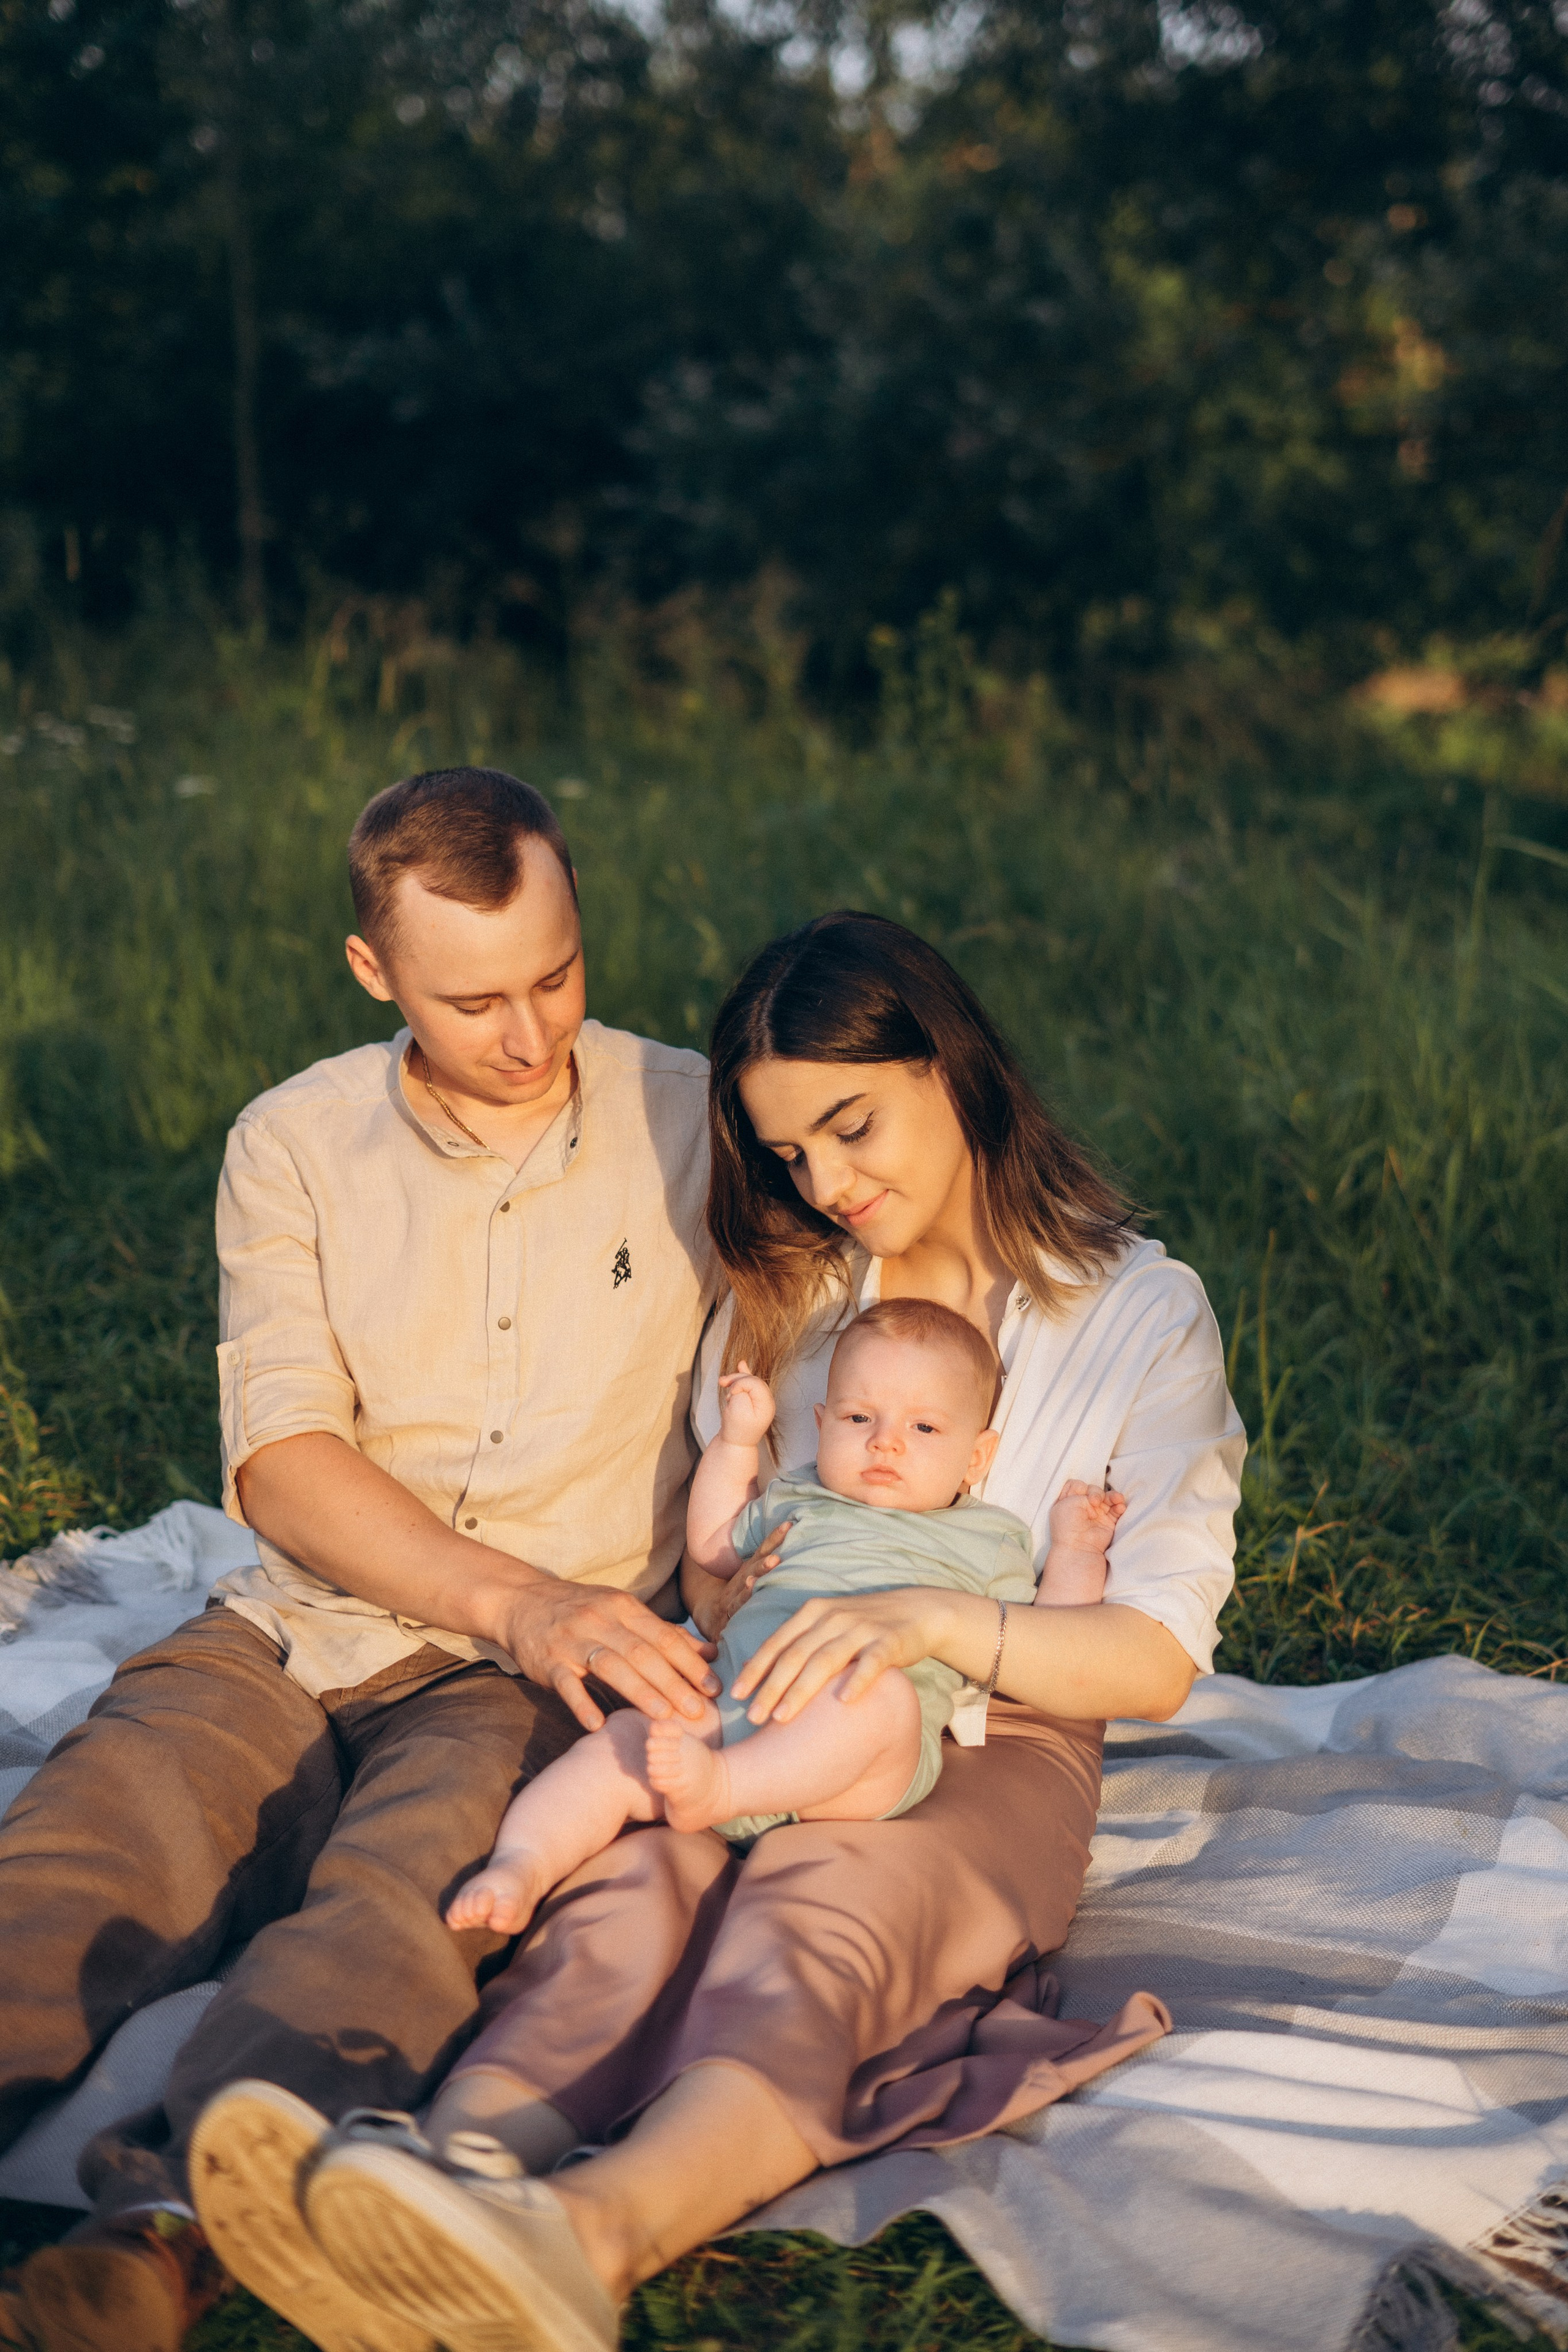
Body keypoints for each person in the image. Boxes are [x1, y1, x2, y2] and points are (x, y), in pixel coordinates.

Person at [189, 907, 1246, 2352]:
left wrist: (934, 1609)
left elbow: (1153, 1657)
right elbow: (718, 1553)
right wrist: (727, 1606)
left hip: (979, 1728)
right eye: (790, 1152)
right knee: (621, 1894)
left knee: (815, 1918)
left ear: (951, 1063)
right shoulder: (794, 1288)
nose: (827, 1180)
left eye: (850, 1124)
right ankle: (454, 2169)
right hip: (761, 1690)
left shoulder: (1137, 1310)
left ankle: (589, 2235)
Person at [0, 767, 726, 2352]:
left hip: (528, 1679)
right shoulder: (296, 1144)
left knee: (408, 1908)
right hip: (301, 1621)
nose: (530, 1037)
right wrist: (512, 1600)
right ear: (372, 971)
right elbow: (282, 1462)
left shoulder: (693, 1119)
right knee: (89, 1842)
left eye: (558, 977)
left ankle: (167, 2230)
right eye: (476, 1002)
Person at [442, 1298, 1126, 1941]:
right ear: (823, 1423)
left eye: (923, 1428)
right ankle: (521, 1865)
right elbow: (712, 1545)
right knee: (616, 1747)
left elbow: (1049, 1636)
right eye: (861, 1420)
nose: (886, 1444)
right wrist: (739, 1443)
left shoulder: (987, 1539)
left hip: (856, 1759)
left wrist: (1075, 1547)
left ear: (976, 1457)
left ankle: (725, 1790)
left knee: (878, 1698)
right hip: (730, 1708)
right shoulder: (800, 1495)